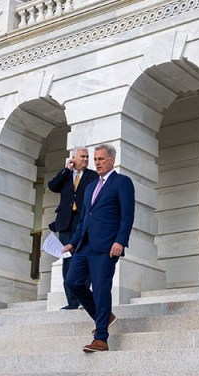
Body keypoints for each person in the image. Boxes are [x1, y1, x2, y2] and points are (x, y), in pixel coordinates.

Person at [62, 144, 134, 353]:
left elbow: (127, 215)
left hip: (107, 246)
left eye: (101, 159)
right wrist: (73, 242)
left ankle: (101, 338)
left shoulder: (122, 182)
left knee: (102, 289)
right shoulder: (91, 186)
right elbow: (84, 219)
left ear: (112, 160)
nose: (97, 163)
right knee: (73, 282)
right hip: (84, 246)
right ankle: (105, 316)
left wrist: (120, 241)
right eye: (95, 160)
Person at [47, 147, 98, 309]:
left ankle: (84, 297)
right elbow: (52, 186)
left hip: (84, 221)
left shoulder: (93, 176)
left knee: (85, 258)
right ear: (73, 158)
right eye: (82, 156)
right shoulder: (66, 175)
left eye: (87, 157)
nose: (86, 159)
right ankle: (72, 301)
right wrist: (66, 170)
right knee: (67, 261)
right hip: (66, 222)